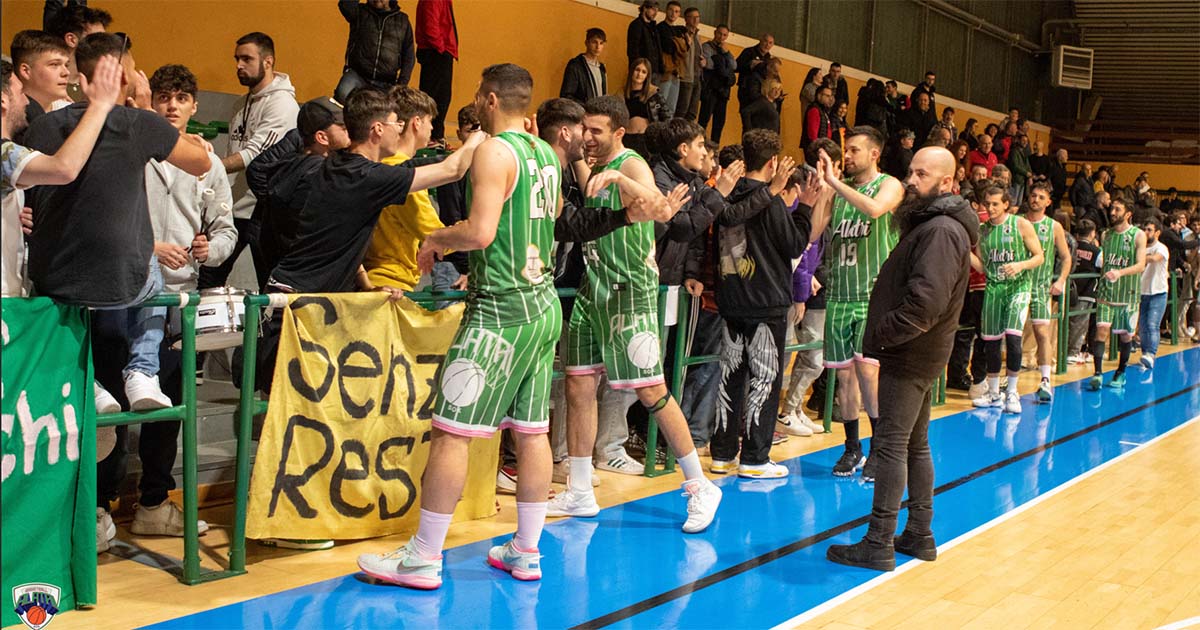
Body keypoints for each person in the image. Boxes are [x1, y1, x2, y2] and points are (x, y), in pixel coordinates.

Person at [547, 95, 723, 532]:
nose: (588, 136)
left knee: (651, 391)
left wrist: (622, 180)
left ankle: (700, 485)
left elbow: (662, 210)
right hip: (593, 288)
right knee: (578, 386)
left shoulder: (631, 164)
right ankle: (580, 489)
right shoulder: (590, 166)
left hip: (631, 292)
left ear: (619, 132)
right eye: (585, 129)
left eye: (597, 130)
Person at [826, 146, 976, 572]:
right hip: (920, 352)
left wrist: (881, 334)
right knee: (914, 444)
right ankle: (919, 533)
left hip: (909, 353)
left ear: (947, 183)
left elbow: (924, 304)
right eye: (910, 171)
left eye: (921, 175)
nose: (911, 180)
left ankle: (878, 541)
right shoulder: (936, 224)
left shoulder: (941, 230)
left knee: (891, 445)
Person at [710, 129, 823, 477]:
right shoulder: (771, 200)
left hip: (731, 299)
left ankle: (722, 454)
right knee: (764, 379)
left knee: (730, 377)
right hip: (764, 301)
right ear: (773, 162)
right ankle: (755, 459)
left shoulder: (727, 194)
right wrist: (805, 208)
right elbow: (794, 245)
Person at [806, 126, 905, 480]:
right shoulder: (837, 190)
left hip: (872, 297)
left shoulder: (889, 185)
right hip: (839, 295)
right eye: (845, 150)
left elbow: (875, 210)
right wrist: (824, 190)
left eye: (853, 150)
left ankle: (879, 448)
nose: (846, 156)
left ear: (874, 154)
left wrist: (836, 184)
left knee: (868, 373)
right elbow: (812, 233)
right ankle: (852, 447)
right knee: (844, 377)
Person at [2, 55, 117, 297]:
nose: (26, 101)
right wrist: (99, 106)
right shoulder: (4, 153)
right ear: (3, 100)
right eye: (20, 92)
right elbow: (64, 168)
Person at [202, 32, 299, 292]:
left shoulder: (283, 105)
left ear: (268, 62)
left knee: (270, 285)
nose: (239, 65)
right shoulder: (239, 104)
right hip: (232, 207)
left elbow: (253, 156)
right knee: (208, 279)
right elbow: (235, 150)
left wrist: (206, 166)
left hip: (263, 211)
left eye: (247, 59)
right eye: (237, 59)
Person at [360, 87, 446, 292]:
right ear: (417, 122)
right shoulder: (405, 176)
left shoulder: (378, 165)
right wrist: (475, 228)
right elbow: (434, 234)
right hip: (391, 282)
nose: (432, 128)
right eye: (430, 121)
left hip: (376, 276)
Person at [969, 183, 1044, 415]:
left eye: (995, 204)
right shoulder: (982, 231)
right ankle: (993, 393)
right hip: (994, 288)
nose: (990, 208)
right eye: (987, 204)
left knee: (1012, 338)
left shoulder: (1020, 224)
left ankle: (1012, 391)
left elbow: (1039, 256)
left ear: (1006, 204)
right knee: (991, 343)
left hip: (1018, 287)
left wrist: (1020, 265)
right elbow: (983, 266)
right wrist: (965, 253)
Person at [1087, 198, 1146, 390]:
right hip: (1106, 293)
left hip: (1128, 294)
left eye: (1117, 209)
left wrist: (1120, 273)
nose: (1112, 212)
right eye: (1112, 208)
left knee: (1125, 337)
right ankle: (1097, 373)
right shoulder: (1106, 235)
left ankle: (1121, 372)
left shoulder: (1138, 235)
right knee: (1101, 331)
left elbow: (1141, 265)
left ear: (1128, 214)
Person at [1022, 181, 1072, 402]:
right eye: (1033, 195)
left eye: (1041, 197)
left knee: (1042, 333)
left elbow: (1066, 257)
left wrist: (1060, 280)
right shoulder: (1017, 221)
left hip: (1041, 288)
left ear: (1049, 202)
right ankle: (1007, 380)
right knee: (1011, 335)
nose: (1036, 200)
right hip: (1016, 286)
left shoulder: (1054, 227)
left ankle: (1045, 380)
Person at [43, 2, 111, 103]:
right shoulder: (46, 87)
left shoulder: (102, 84)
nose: (105, 45)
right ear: (71, 40)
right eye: (97, 38)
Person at [415, 0, 457, 144]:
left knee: (440, 97)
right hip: (436, 53)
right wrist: (442, 49)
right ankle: (433, 138)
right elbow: (431, 27)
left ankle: (435, 137)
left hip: (438, 52)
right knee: (437, 98)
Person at [11, 30, 73, 125]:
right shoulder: (8, 117)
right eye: (54, 64)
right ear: (26, 71)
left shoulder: (70, 113)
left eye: (66, 65)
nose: (66, 73)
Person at [1067, 219, 1101, 362]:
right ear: (1092, 233)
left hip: (1068, 289)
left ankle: (1064, 351)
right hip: (1086, 292)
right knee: (1079, 324)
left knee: (1067, 322)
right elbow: (1103, 268)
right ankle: (1072, 353)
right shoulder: (1096, 251)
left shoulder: (1069, 247)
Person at [1137, 218, 1169, 370]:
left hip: (1158, 292)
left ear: (1157, 233)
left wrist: (1139, 258)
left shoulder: (1161, 248)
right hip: (1142, 291)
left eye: (1149, 230)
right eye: (1145, 229)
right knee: (1143, 326)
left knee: (1152, 324)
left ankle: (1151, 353)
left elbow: (1155, 259)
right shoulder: (1140, 247)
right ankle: (1145, 354)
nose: (1146, 232)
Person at [698, 23, 735, 143]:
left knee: (719, 123)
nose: (721, 37)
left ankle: (715, 148)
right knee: (704, 120)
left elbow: (734, 66)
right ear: (715, 33)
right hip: (710, 89)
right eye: (720, 33)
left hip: (723, 92)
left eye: (725, 35)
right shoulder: (707, 47)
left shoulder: (725, 51)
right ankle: (699, 143)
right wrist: (722, 66)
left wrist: (725, 53)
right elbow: (707, 64)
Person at [560, 28, 607, 104]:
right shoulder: (575, 65)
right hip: (582, 110)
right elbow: (566, 96)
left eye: (601, 43)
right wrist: (585, 106)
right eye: (594, 42)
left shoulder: (601, 68)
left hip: (598, 110)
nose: (598, 47)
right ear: (587, 43)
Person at [735, 33, 773, 123]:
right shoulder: (748, 52)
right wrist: (750, 65)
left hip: (760, 94)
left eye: (770, 43)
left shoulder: (769, 58)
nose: (767, 45)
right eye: (765, 41)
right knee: (747, 120)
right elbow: (736, 67)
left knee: (757, 122)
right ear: (760, 40)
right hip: (746, 91)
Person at [623, 57, 668, 132]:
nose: (639, 74)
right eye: (637, 70)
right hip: (627, 136)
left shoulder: (654, 94)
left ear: (647, 76)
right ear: (631, 71)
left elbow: (667, 118)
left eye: (644, 72)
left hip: (648, 137)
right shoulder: (621, 93)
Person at [674, 6, 704, 120]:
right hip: (686, 77)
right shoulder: (681, 33)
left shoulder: (698, 37)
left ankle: (689, 131)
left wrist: (703, 61)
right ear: (686, 19)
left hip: (697, 78)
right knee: (682, 110)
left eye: (697, 17)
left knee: (692, 113)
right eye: (692, 17)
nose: (695, 20)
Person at [626, 1, 662, 83]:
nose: (655, 13)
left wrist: (661, 68)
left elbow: (658, 48)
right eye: (653, 9)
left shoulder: (654, 27)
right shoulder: (636, 25)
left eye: (657, 10)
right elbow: (633, 50)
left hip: (654, 70)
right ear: (645, 8)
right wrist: (639, 69)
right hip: (641, 70)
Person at [801, 84, 834, 150]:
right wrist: (817, 148)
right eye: (827, 96)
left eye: (831, 96)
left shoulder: (823, 110)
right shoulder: (814, 110)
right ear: (819, 95)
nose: (830, 99)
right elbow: (812, 133)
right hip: (815, 147)